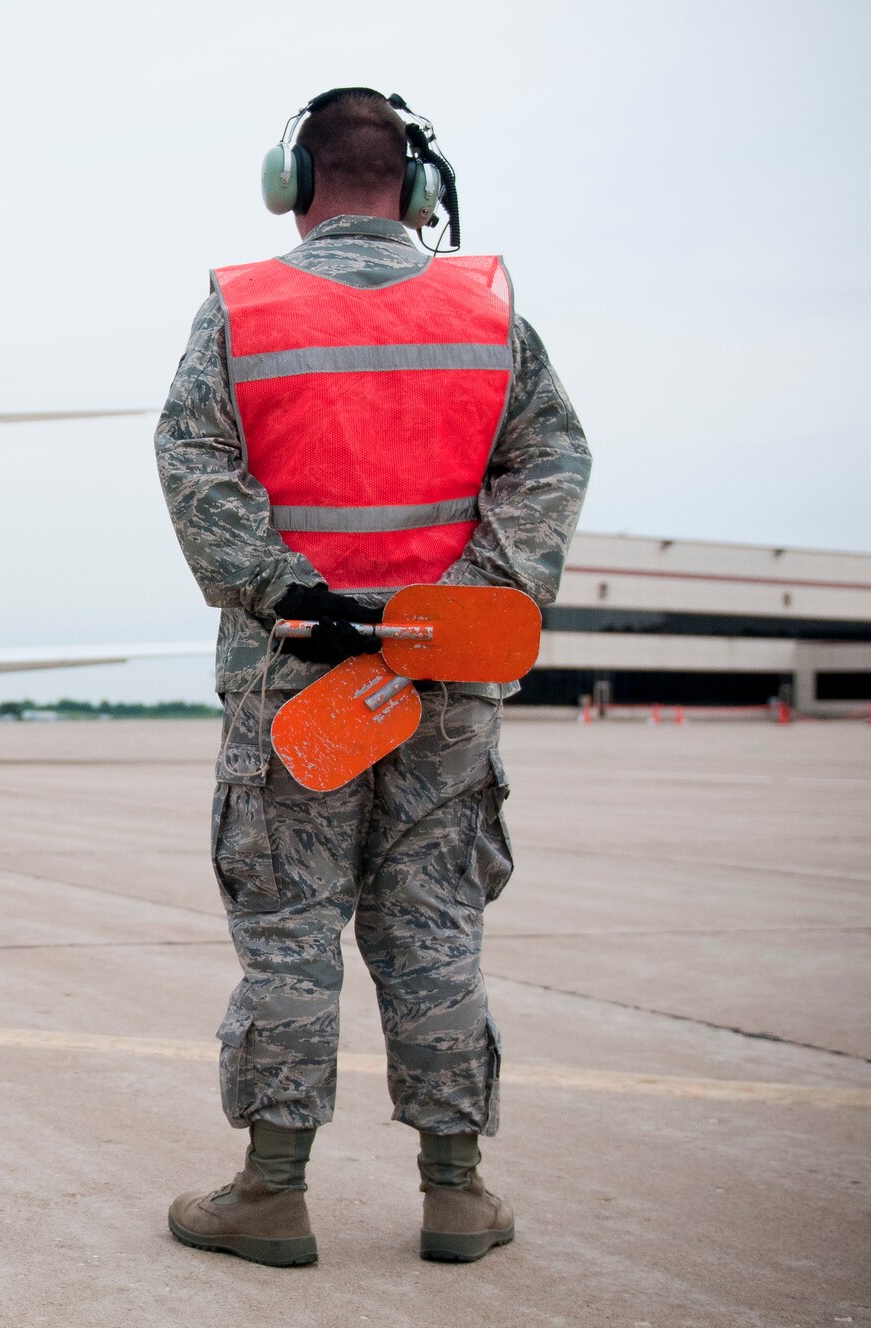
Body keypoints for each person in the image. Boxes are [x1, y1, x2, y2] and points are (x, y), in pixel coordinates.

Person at [155, 87, 590, 1266]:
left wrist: (294, 593)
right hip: (443, 687)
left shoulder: (243, 310)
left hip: (296, 679)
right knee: (436, 928)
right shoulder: (485, 310)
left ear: (288, 184)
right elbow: (549, 453)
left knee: (289, 930)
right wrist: (464, 605)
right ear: (419, 189)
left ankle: (271, 1191)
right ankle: (454, 1193)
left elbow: (190, 456)